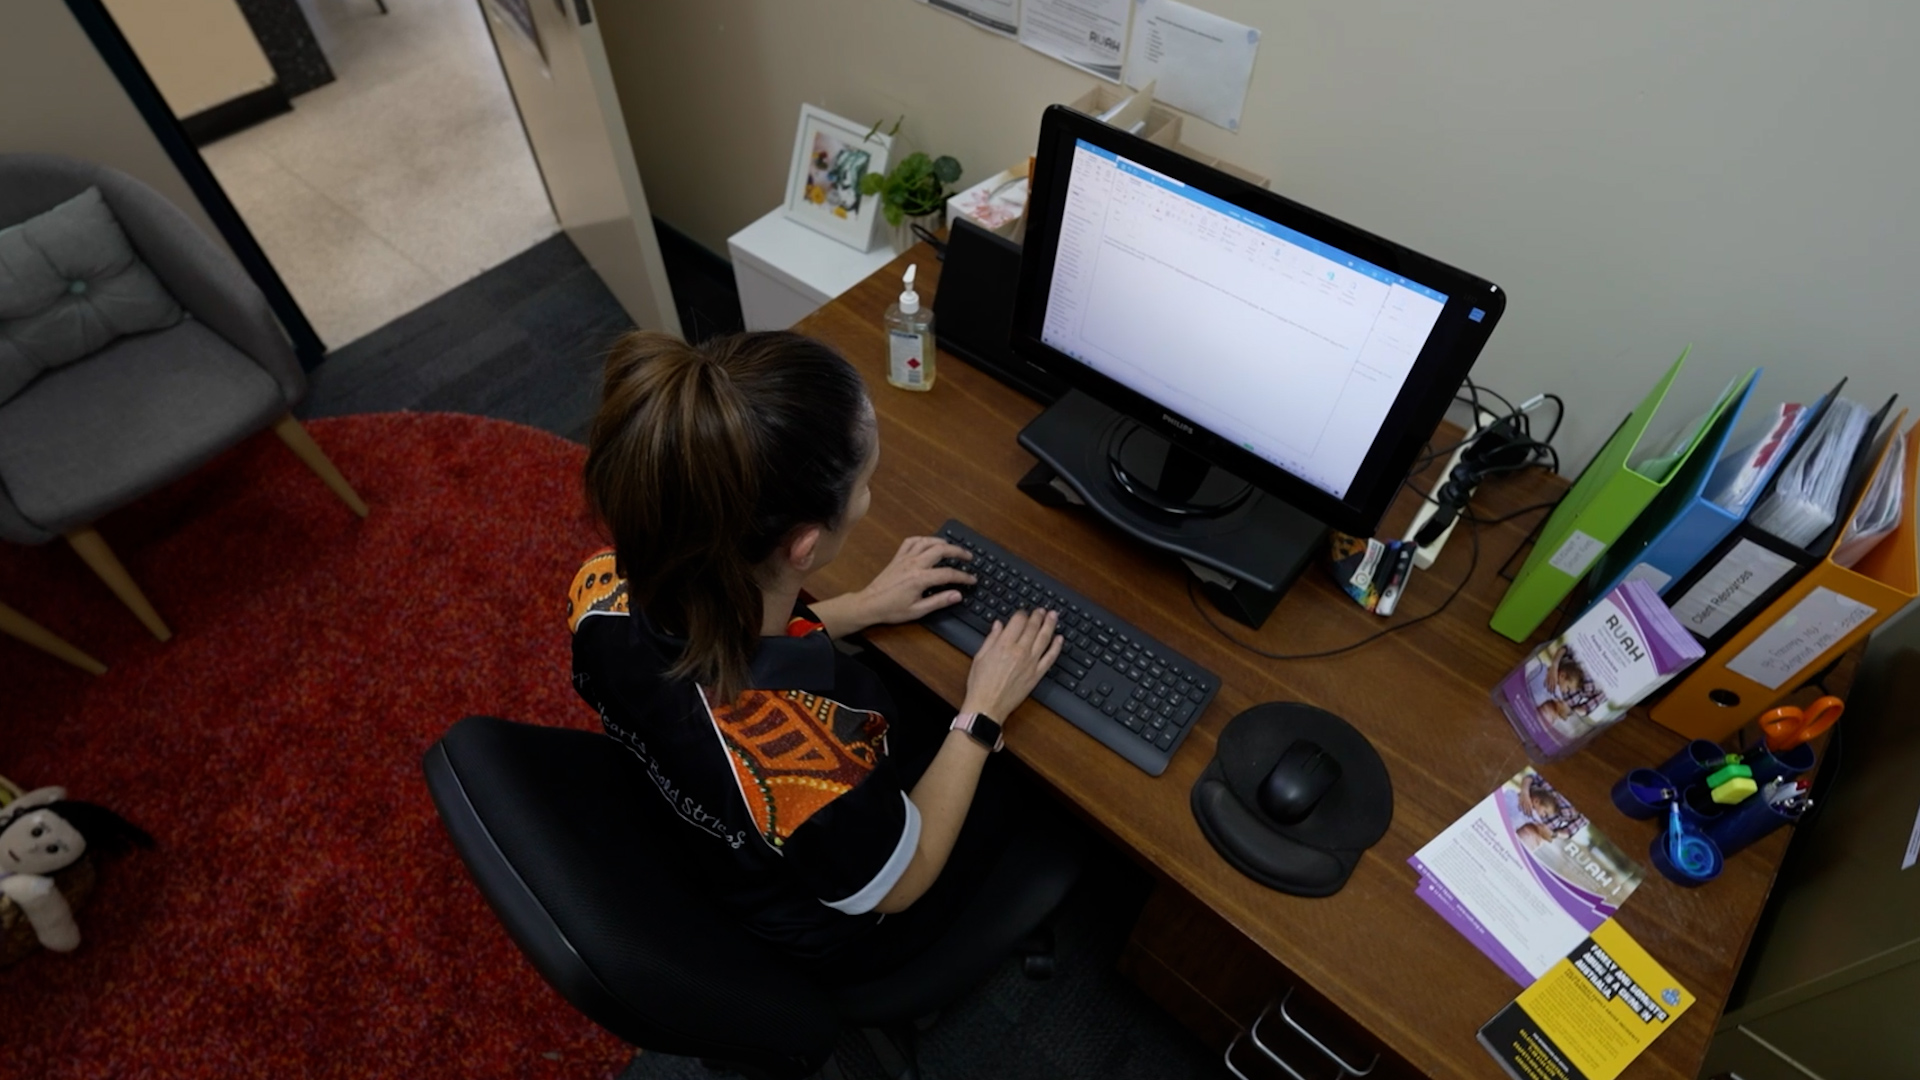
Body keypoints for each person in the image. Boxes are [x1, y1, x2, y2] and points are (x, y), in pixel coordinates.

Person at [568, 329, 1064, 983]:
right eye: (866, 482)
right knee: (1043, 794)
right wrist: (981, 714)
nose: (868, 496)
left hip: (709, 832)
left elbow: (713, 655)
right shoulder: (806, 771)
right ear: (803, 546)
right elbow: (903, 882)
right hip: (837, 922)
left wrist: (862, 605)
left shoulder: (600, 589)